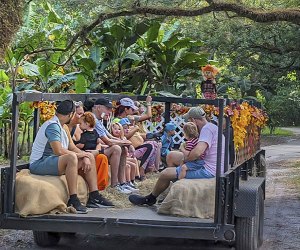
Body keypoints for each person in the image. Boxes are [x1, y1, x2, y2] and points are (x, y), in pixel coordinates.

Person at [29, 100, 114, 214]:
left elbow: (72, 147)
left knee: (88, 155)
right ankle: (73, 199)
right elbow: (58, 150)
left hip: (53, 161)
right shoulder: (52, 126)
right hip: (39, 163)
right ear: (70, 114)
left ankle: (94, 196)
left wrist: (85, 156)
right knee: (72, 157)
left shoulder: (62, 126)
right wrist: (80, 155)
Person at [128, 106, 225, 206]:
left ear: (193, 120)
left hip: (209, 170)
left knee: (165, 173)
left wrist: (186, 158)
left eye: (189, 120)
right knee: (172, 155)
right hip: (209, 163)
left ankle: (151, 198)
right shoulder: (211, 127)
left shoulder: (206, 130)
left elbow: (197, 153)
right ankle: (170, 190)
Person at [91, 97, 133, 194]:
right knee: (116, 148)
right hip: (92, 151)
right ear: (98, 108)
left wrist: (125, 142)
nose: (109, 112)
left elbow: (110, 136)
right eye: (107, 109)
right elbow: (108, 141)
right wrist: (125, 142)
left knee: (122, 148)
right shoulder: (93, 119)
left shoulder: (98, 120)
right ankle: (114, 185)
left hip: (99, 149)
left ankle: (122, 183)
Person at [110, 122, 139, 192]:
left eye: (119, 129)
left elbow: (130, 147)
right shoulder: (109, 139)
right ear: (111, 130)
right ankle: (124, 182)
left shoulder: (123, 138)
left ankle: (127, 182)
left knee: (133, 161)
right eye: (115, 129)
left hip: (122, 157)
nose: (117, 130)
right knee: (129, 164)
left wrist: (130, 147)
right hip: (113, 157)